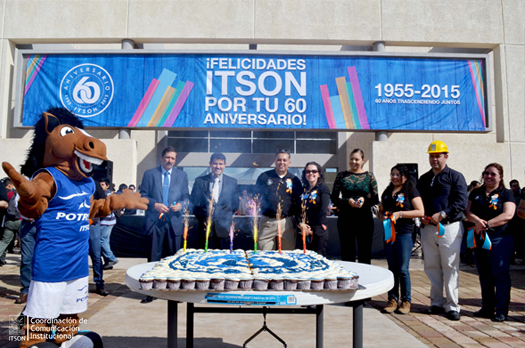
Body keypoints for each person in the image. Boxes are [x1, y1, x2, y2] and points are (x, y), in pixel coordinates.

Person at [417, 140, 468, 321]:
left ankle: (453, 306)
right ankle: (436, 302)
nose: (435, 159)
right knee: (431, 266)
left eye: (438, 155)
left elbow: (461, 202)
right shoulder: (423, 178)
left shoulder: (456, 177)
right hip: (428, 228)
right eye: (432, 156)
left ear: (446, 156)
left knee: (450, 266)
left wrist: (444, 214)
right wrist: (421, 216)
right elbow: (419, 202)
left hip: (449, 227)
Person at [465, 164, 516, 322]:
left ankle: (501, 310)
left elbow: (508, 214)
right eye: (486, 173)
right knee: (484, 274)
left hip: (499, 238)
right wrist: (477, 221)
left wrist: (487, 224)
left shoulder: (505, 193)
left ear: (500, 177)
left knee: (500, 274)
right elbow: (467, 211)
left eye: (493, 174)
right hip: (479, 237)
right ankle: (487, 307)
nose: (488, 176)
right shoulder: (477, 192)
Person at [140, 146, 189, 303]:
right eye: (167, 157)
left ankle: (173, 291)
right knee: (154, 257)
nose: (170, 160)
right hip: (155, 222)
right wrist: (155, 205)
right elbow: (143, 196)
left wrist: (181, 205)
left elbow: (186, 197)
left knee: (174, 258)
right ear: (162, 158)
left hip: (174, 222)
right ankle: (151, 292)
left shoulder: (182, 175)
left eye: (173, 158)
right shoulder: (150, 174)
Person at [378, 164, 424, 314]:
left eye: (398, 174)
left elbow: (420, 211)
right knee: (392, 268)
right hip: (389, 232)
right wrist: (382, 216)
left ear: (405, 176)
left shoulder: (411, 190)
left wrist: (401, 214)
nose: (395, 177)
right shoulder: (387, 191)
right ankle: (392, 299)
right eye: (392, 174)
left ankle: (406, 300)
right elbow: (380, 211)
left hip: (405, 232)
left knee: (403, 268)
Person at [332, 148, 379, 264]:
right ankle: (348, 280)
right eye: (351, 159)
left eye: (357, 159)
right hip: (345, 218)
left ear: (363, 160)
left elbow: (375, 199)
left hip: (364, 218)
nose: (354, 162)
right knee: (347, 252)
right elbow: (334, 198)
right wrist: (347, 201)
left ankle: (366, 280)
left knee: (365, 252)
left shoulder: (369, 176)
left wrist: (364, 200)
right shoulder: (341, 176)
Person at [255, 149, 302, 251]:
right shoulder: (264, 177)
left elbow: (298, 203)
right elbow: (256, 195)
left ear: (289, 163)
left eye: (284, 160)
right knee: (263, 256)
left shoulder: (294, 180)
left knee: (287, 256)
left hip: (287, 222)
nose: (282, 162)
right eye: (279, 160)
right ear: (275, 161)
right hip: (267, 222)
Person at [191, 153, 239, 249]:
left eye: (220, 164)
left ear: (225, 165)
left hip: (224, 230)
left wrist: (225, 217)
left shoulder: (232, 182)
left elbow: (235, 204)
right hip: (205, 230)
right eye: (215, 163)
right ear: (210, 164)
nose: (218, 166)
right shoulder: (199, 181)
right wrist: (204, 217)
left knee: (223, 261)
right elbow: (194, 203)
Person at [298, 162, 331, 256]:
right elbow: (297, 210)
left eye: (314, 171)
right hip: (303, 231)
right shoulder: (302, 190)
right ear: (305, 174)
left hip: (318, 231)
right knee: (304, 259)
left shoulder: (323, 189)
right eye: (308, 171)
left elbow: (322, 210)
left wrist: (310, 227)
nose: (311, 173)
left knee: (318, 260)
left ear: (319, 174)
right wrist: (301, 224)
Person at [89, 180, 109, 296]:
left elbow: (103, 203)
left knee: (96, 256)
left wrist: (93, 217)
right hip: (76, 224)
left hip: (92, 224)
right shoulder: (73, 182)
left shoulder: (94, 184)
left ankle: (99, 284)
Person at [99, 177, 119, 270]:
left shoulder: (107, 195)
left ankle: (111, 258)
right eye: (100, 184)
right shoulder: (105, 194)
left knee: (102, 240)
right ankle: (108, 262)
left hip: (107, 221)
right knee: (105, 240)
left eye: (103, 184)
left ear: (107, 186)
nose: (101, 186)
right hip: (109, 221)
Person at [0, 179, 16, 266]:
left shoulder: (8, 194)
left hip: (8, 220)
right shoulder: (16, 193)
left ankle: (1, 258)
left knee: (4, 241)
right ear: (10, 185)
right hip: (21, 220)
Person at [508, 179, 524, 264]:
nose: (516, 187)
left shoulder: (521, 195)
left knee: (521, 240)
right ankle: (512, 258)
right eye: (514, 186)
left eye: (517, 185)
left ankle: (520, 256)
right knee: (512, 240)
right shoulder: (509, 195)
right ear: (511, 187)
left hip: (520, 221)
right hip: (512, 222)